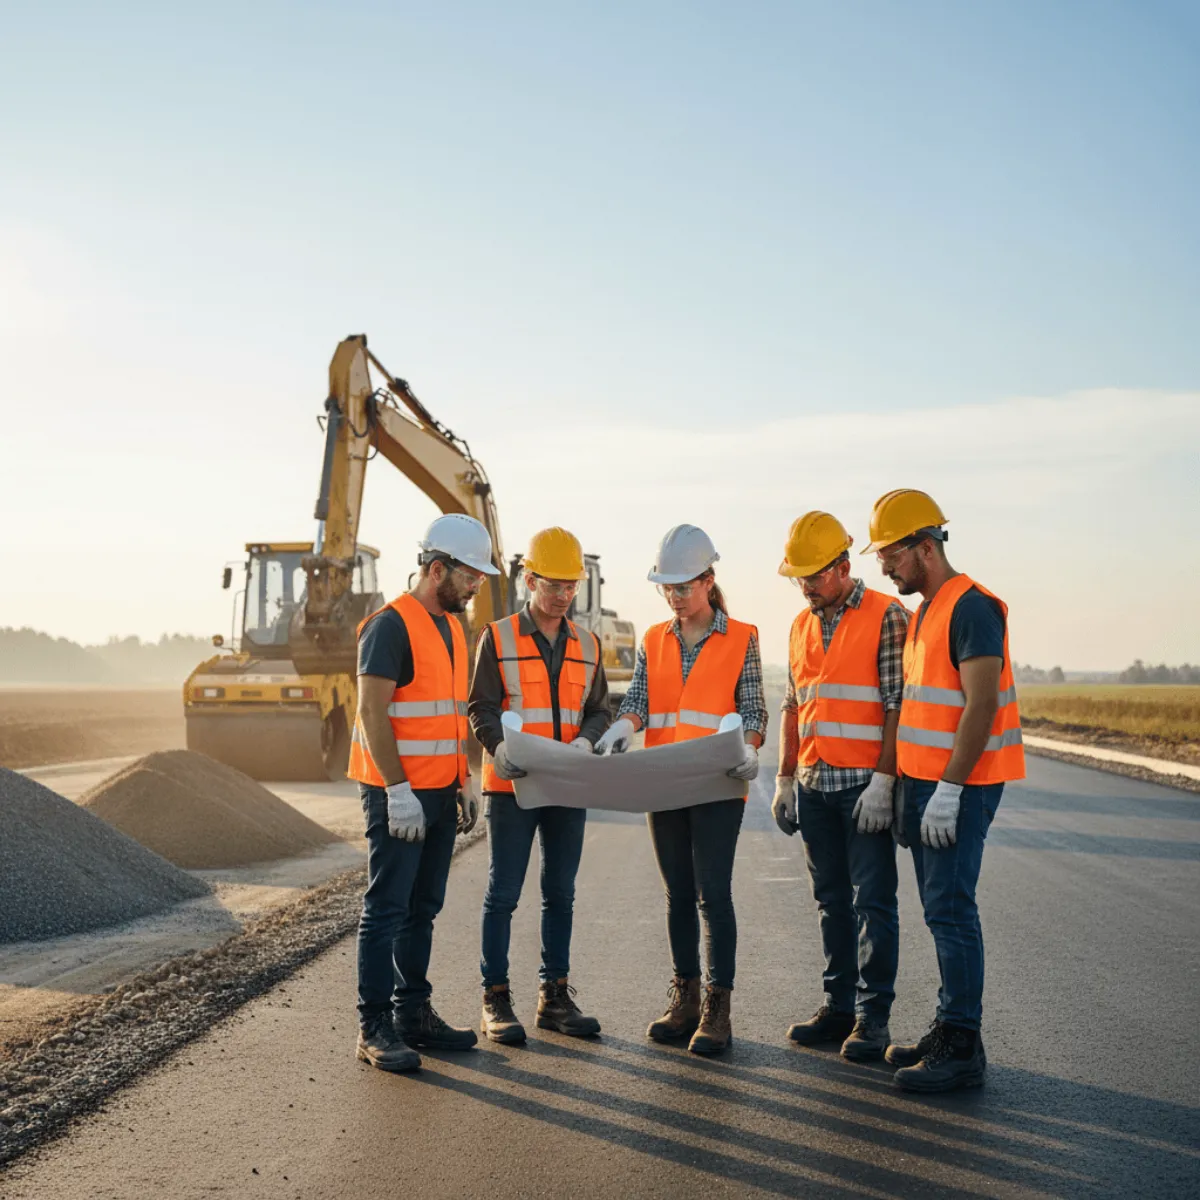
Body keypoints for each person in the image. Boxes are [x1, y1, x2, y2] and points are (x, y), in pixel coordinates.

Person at [863, 489, 1025, 1092]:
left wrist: (951, 788)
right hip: (929, 784)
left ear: (924, 548)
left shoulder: (971, 608)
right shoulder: (928, 609)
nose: (882, 565)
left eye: (890, 554)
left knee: (952, 911)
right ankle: (953, 1027)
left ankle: (961, 1047)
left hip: (963, 784)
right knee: (940, 911)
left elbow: (981, 704)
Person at [595, 524, 766, 1055]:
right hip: (664, 783)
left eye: (683, 586)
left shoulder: (742, 638)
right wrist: (624, 727)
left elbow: (754, 709)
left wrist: (750, 748)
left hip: (717, 784)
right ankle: (685, 997)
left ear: (709, 581)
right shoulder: (653, 639)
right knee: (676, 896)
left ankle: (718, 1009)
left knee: (712, 895)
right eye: (666, 587)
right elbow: (639, 701)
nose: (674, 596)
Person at [349, 513, 498, 1072]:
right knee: (385, 909)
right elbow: (371, 711)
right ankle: (373, 1027)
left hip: (439, 792)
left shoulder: (454, 629)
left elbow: (448, 714)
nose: (477, 586)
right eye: (471, 577)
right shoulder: (389, 626)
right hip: (399, 794)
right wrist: (396, 789)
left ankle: (413, 1014)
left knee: (422, 908)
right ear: (437, 569)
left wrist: (464, 779)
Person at [773, 511, 910, 1062]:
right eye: (798, 576)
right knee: (831, 902)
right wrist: (785, 777)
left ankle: (873, 1018)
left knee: (873, 903)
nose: (805, 585)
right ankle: (839, 1008)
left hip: (862, 788)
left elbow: (899, 704)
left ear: (843, 566)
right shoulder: (801, 625)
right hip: (815, 784)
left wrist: (885, 780)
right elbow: (793, 705)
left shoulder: (887, 616)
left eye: (814, 575)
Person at [469, 527, 612, 1044]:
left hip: (566, 785)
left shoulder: (589, 644)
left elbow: (598, 709)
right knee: (503, 893)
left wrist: (588, 742)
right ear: (529, 580)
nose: (563, 595)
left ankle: (554, 997)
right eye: (553, 584)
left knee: (561, 893)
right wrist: (496, 747)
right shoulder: (499, 635)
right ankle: (495, 999)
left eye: (570, 585)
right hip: (512, 787)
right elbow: (480, 706)